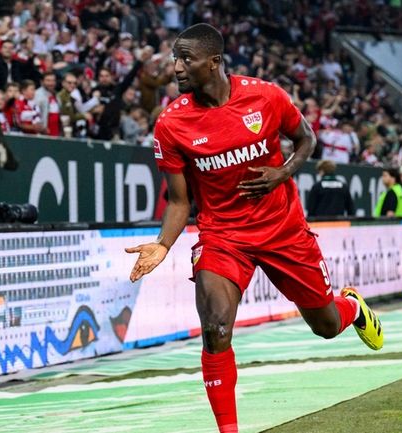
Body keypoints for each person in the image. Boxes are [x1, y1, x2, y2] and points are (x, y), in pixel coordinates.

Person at [125, 24, 383, 433]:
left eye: (185, 59)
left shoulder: (266, 95)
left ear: (214, 63)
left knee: (327, 326)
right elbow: (179, 200)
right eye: (174, 58)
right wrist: (162, 244)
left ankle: (352, 306)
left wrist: (282, 172)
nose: (175, 67)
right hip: (223, 236)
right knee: (215, 326)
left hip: (284, 229)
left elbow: (306, 139)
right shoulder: (171, 124)